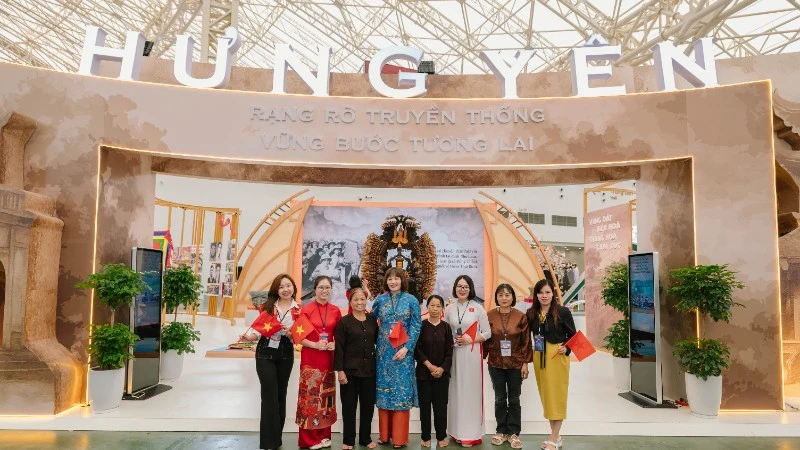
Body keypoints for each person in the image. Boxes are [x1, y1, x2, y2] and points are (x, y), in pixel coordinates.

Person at [239, 275, 301, 450]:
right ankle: (267, 442)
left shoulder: (299, 310)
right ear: (276, 290)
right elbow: (257, 330)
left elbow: (300, 336)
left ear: (293, 288)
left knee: (281, 395)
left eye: (288, 286)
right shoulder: (268, 307)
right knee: (269, 395)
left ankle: (276, 438)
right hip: (265, 352)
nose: (286, 289)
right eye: (281, 287)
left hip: (286, 352)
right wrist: (248, 337)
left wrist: (291, 334)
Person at [372, 267, 421, 448]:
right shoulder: (380, 300)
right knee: (384, 391)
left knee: (401, 392)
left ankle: (399, 438)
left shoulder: (411, 300)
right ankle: (384, 436)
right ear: (386, 281)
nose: (393, 282)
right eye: (390, 279)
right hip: (384, 354)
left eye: (396, 278)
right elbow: (370, 322)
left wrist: (407, 348)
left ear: (402, 280)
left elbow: (416, 326)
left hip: (403, 354)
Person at [526, 279, 576, 450]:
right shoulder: (531, 313)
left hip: (556, 356)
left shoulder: (562, 312)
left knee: (557, 396)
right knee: (547, 396)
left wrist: (566, 347)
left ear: (553, 293)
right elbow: (527, 336)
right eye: (540, 292)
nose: (544, 296)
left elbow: (573, 336)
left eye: (547, 292)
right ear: (536, 294)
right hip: (539, 356)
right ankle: (557, 436)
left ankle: (553, 438)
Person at [444, 274, 491, 447]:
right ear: (455, 288)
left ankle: (470, 433)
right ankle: (455, 431)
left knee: (471, 391)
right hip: (454, 354)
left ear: (470, 289)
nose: (462, 289)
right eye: (459, 286)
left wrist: (471, 339)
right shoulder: (449, 309)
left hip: (471, 353)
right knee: (455, 390)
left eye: (465, 287)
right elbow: (445, 331)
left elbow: (487, 333)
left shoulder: (478, 308)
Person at [296, 275, 342, 449]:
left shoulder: (335, 310)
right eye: (321, 287)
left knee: (325, 397)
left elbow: (340, 336)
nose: (324, 291)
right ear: (315, 290)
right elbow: (298, 337)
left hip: (327, 359)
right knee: (309, 397)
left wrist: (334, 344)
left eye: (327, 287)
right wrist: (314, 344)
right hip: (310, 358)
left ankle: (324, 436)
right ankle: (308, 440)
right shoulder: (306, 310)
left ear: (331, 290)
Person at [485, 284, 531, 449]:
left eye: (507, 295)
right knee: (499, 398)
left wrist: (525, 363)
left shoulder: (521, 317)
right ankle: (500, 431)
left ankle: (513, 433)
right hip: (495, 362)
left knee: (514, 398)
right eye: (500, 295)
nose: (504, 298)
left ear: (512, 297)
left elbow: (526, 341)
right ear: (496, 297)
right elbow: (485, 338)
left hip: (516, 363)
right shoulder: (489, 315)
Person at [334, 288, 378, 450]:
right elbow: (339, 348)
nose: (360, 302)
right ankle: (348, 440)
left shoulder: (372, 320)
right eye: (356, 300)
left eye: (362, 299)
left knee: (368, 407)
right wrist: (340, 371)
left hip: (369, 372)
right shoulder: (344, 322)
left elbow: (377, 341)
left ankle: (365, 438)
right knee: (349, 407)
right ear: (350, 302)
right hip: (349, 372)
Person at [415, 295, 453, 448]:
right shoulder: (421, 326)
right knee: (425, 407)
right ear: (427, 307)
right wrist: (430, 366)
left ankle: (441, 436)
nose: (435, 309)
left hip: (442, 376)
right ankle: (425, 437)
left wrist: (442, 368)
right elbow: (417, 350)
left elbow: (450, 353)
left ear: (442, 308)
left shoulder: (446, 327)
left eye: (438, 306)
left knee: (441, 407)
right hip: (424, 374)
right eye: (432, 305)